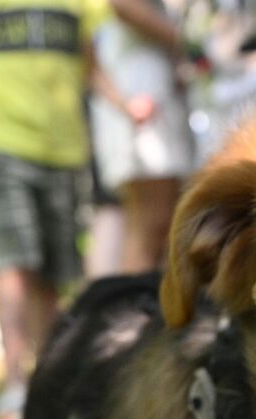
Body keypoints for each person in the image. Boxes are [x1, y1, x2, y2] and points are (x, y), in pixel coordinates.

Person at [0, 0, 145, 419]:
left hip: (64, 153)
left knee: (50, 279)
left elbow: (90, 64)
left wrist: (126, 104)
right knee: (15, 266)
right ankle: (14, 389)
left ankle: (50, 387)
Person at [88, 0, 195, 274]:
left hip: (153, 93)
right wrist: (190, 41)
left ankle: (147, 309)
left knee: (161, 223)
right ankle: (137, 312)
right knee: (150, 222)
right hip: (139, 93)